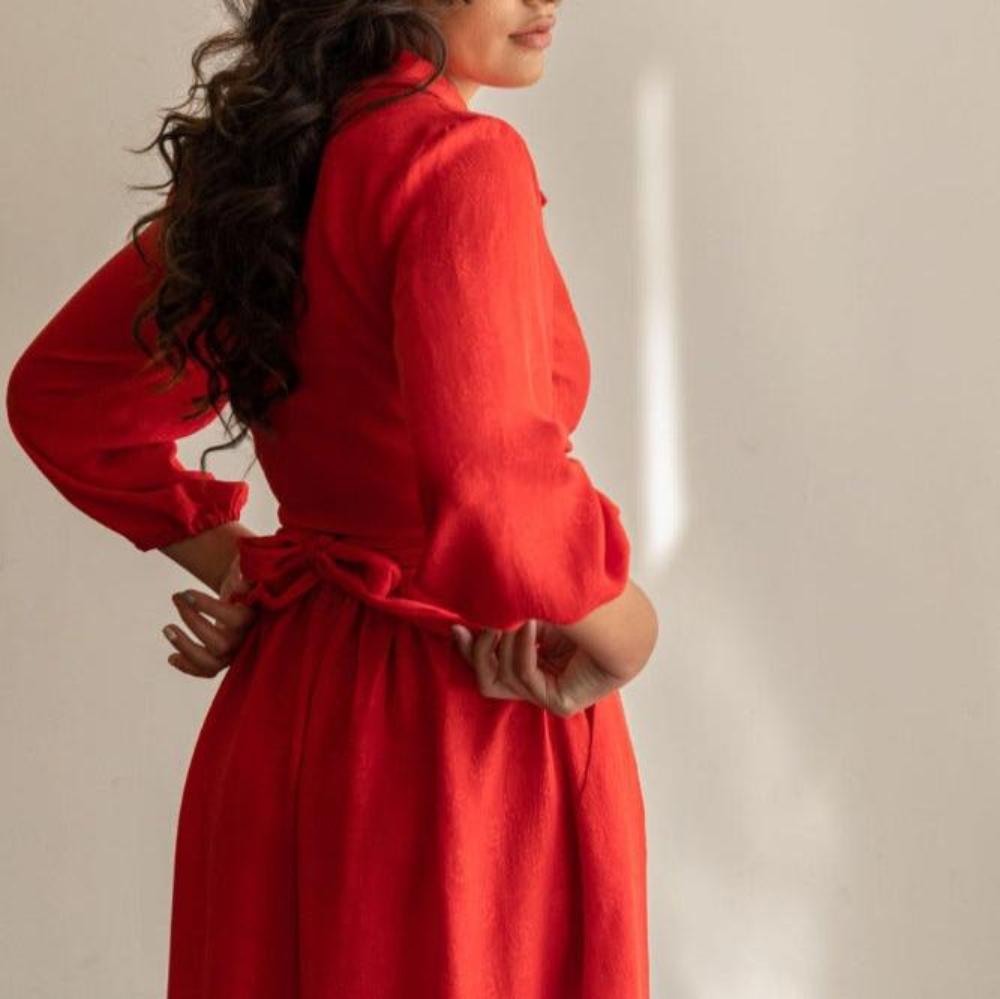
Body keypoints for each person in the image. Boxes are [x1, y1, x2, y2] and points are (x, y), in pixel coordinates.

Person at [5, 1, 659, 995]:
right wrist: (627, 631)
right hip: (460, 717)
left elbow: (65, 398)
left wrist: (246, 565)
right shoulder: (460, 160)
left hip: (290, 699)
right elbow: (494, 484)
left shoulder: (274, 166)